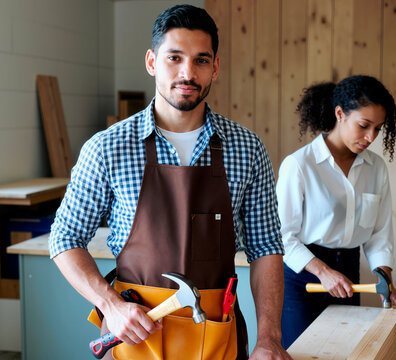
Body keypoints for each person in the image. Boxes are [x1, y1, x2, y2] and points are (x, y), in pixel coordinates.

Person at [49, 4, 291, 359]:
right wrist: (111, 306)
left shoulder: (247, 148)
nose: (187, 73)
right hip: (137, 334)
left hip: (217, 335)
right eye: (174, 58)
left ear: (215, 68)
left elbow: (267, 247)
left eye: (201, 60)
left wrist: (268, 339)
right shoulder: (107, 147)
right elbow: (65, 237)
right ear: (151, 62)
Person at [277, 75, 396, 349]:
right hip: (303, 278)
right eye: (364, 126)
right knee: (302, 353)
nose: (371, 137)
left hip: (348, 276)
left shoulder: (376, 168)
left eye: (378, 128)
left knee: (344, 351)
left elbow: (379, 235)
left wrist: (384, 278)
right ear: (340, 114)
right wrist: (323, 271)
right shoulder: (299, 165)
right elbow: (283, 237)